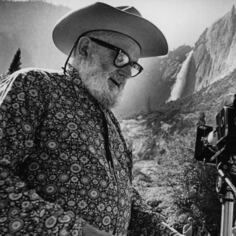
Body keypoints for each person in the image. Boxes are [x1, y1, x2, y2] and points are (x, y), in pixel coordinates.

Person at [0, 2, 171, 236]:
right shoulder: (35, 86)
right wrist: (77, 231)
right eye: (120, 57)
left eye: (132, 65)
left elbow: (126, 197)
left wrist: (165, 231)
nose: (126, 73)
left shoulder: (111, 123)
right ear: (84, 48)